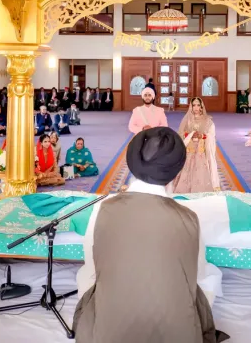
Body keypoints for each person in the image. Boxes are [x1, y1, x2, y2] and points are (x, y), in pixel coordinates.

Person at [73, 127, 227, 343]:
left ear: (133, 161)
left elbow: (92, 270)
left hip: (108, 332)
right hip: (176, 331)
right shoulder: (189, 218)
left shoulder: (103, 208)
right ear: (176, 171)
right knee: (207, 281)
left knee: (90, 281)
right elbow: (195, 275)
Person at [170, 97, 220, 193]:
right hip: (190, 150)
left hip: (201, 151)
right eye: (194, 105)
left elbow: (212, 135)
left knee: (200, 170)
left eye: (198, 105)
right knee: (187, 168)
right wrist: (190, 135)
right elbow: (180, 133)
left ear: (201, 107)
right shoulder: (187, 120)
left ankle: (200, 190)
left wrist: (203, 135)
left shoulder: (207, 121)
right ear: (191, 107)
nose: (196, 107)